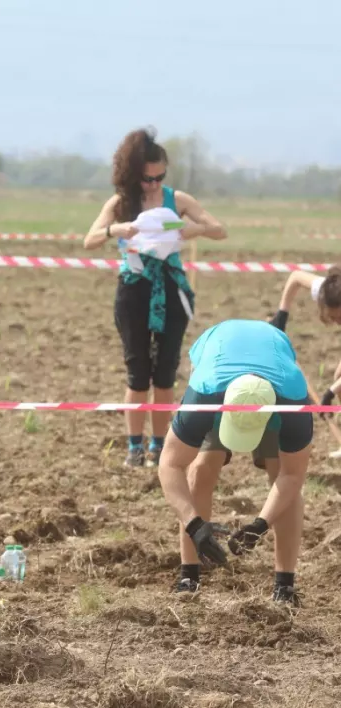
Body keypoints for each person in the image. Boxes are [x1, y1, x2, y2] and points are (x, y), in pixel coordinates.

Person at [83, 127, 227, 468]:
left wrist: (195, 229)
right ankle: (134, 447)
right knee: (137, 371)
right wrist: (113, 230)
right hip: (134, 290)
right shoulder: (120, 204)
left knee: (165, 371)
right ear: (134, 175)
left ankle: (159, 447)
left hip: (171, 289)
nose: (154, 185)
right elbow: (89, 239)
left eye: (159, 177)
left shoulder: (178, 200)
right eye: (147, 179)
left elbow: (219, 229)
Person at [157, 319, 311, 606]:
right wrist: (194, 525)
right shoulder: (204, 393)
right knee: (201, 469)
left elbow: (292, 476)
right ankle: (189, 576)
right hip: (220, 359)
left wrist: (260, 524)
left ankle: (284, 585)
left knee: (280, 471)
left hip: (274, 373)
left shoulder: (294, 403)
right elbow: (169, 464)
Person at [271, 267, 341, 407]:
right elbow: (296, 277)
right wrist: (281, 315)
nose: (338, 322)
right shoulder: (329, 291)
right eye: (333, 317)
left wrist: (330, 392)